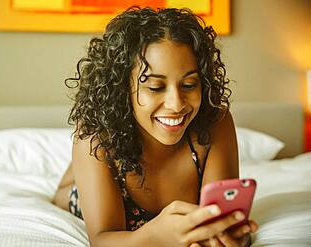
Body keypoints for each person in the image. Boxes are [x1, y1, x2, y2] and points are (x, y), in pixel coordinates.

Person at [53, 6, 258, 247]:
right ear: (122, 88)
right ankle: (75, 174)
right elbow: (102, 240)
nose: (176, 104)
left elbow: (215, 219)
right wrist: (156, 236)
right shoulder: (95, 138)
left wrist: (227, 235)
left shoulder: (215, 123)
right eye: (155, 87)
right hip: (78, 189)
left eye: (189, 84)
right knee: (69, 190)